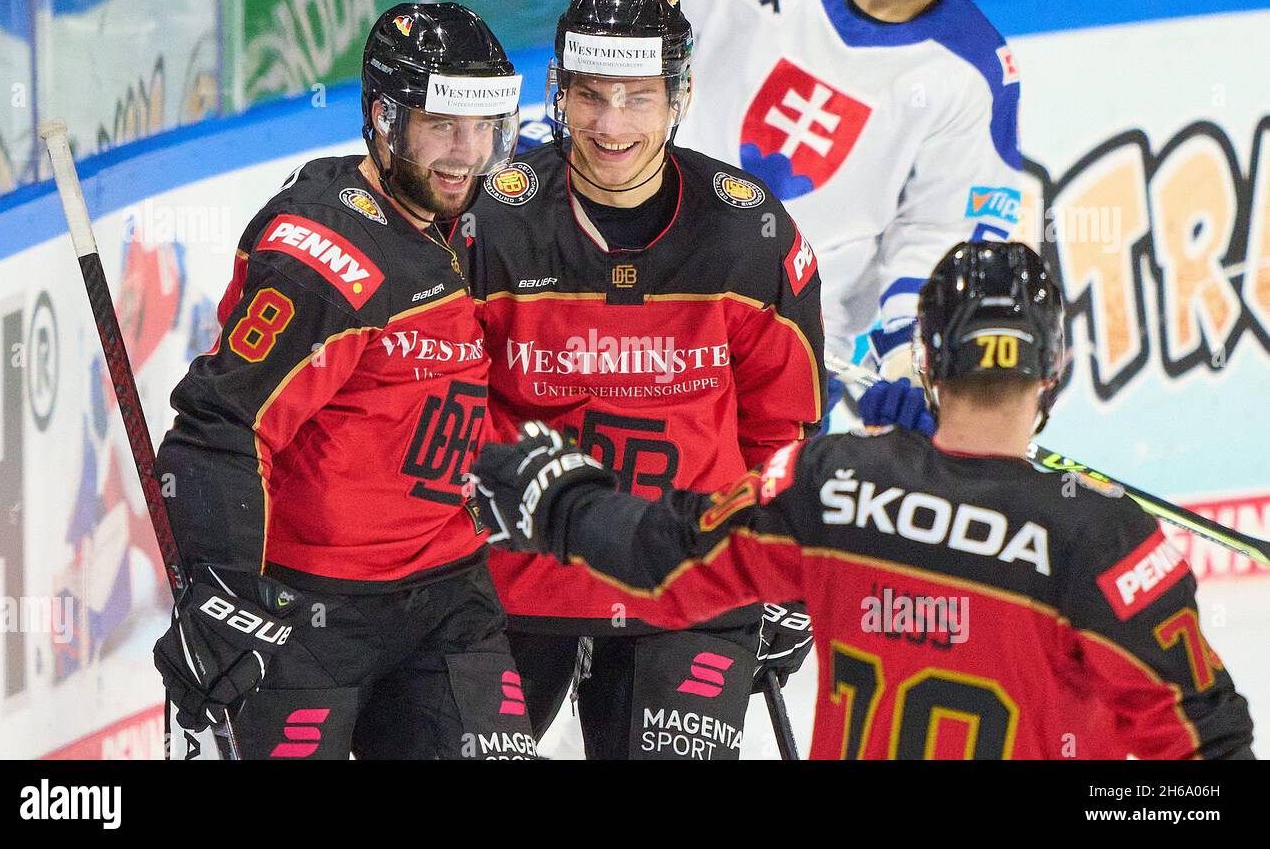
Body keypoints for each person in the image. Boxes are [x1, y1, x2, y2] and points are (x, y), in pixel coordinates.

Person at [472, 241, 1256, 759]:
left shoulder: (832, 480)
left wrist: (561, 499)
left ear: (926, 363)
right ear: (1054, 368)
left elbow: (664, 561)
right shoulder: (1107, 536)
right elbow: (1206, 755)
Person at [151, 3, 538, 760]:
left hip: (448, 600)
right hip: (306, 614)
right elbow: (221, 421)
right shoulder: (325, 256)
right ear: (383, 120)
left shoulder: (469, 210)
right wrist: (224, 590)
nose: (467, 153)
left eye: (486, 126)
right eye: (441, 127)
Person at [465, 0, 826, 759]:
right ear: (557, 91)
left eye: (638, 96)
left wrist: (784, 568)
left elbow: (783, 428)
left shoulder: (750, 234)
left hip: (690, 585)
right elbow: (438, 402)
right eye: (591, 95)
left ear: (681, 94)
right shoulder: (491, 222)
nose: (612, 124)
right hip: (512, 582)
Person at [630, 0, 1023, 390]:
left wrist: (911, 358)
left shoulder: (974, 73)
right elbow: (622, 60)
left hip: (787, 359)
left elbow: (938, 232)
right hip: (625, 289)